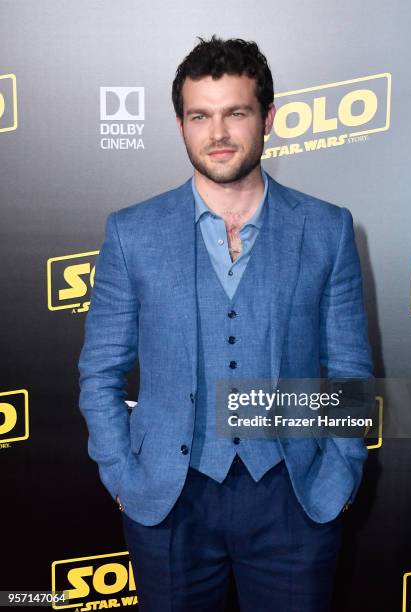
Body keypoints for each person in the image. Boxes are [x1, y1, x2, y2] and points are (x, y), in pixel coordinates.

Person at [78, 35, 373, 612]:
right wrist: (121, 475)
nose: (217, 134)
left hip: (295, 498)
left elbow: (349, 368)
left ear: (267, 119)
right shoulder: (131, 232)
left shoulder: (326, 228)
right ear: (183, 125)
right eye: (199, 116)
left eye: (235, 113)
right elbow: (100, 372)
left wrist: (339, 476)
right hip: (168, 501)